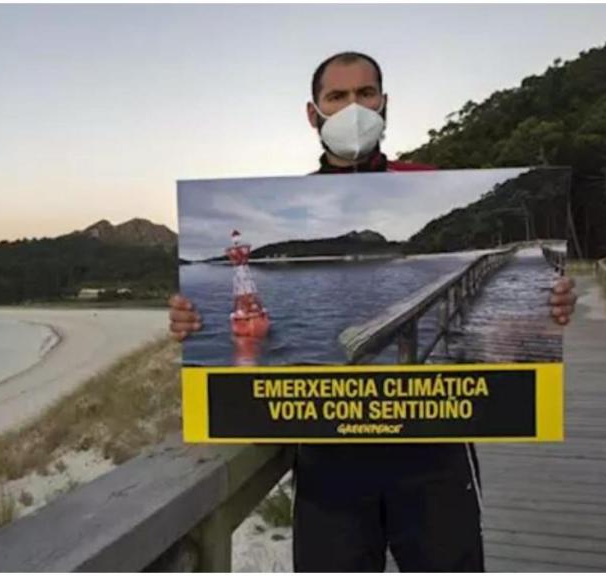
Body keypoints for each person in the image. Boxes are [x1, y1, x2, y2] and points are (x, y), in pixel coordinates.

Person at [168, 51, 578, 572]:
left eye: (365, 94)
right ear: (313, 114)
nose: (353, 108)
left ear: (385, 104)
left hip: (435, 449)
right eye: (336, 97)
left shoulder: (424, 178)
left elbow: (545, 311)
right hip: (328, 464)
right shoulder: (292, 195)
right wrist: (190, 321)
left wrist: (553, 300)